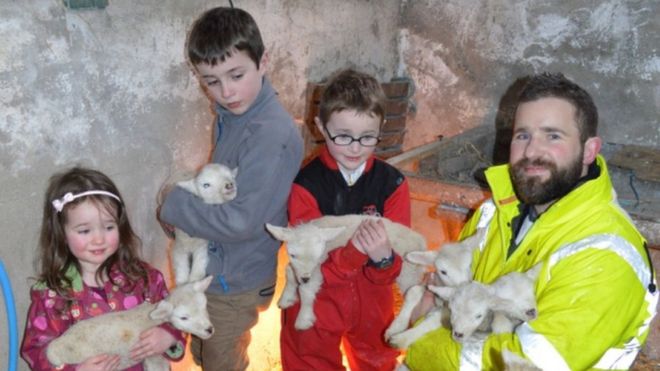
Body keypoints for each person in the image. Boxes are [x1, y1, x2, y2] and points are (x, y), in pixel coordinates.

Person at [403, 72, 658, 370]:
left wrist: (420, 342)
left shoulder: (607, 252)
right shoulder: (495, 212)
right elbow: (446, 297)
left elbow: (530, 362)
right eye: (522, 135)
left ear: (589, 150)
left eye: (553, 136)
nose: (531, 151)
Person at [157, 6, 304, 371]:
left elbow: (240, 221)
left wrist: (173, 204)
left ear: (263, 61)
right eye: (211, 81)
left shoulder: (269, 134)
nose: (226, 91)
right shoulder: (233, 117)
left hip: (236, 280)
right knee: (207, 355)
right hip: (221, 271)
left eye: (236, 75)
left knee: (222, 361)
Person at [280, 68, 411, 370]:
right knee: (308, 361)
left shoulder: (392, 184)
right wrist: (355, 253)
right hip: (318, 302)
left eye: (367, 137)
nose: (355, 147)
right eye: (343, 136)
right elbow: (310, 262)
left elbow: (397, 260)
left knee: (378, 360)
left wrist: (383, 260)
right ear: (321, 127)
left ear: (382, 128)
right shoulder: (306, 186)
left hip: (372, 303)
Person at [21, 167, 186, 371]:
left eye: (109, 227)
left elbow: (177, 316)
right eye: (84, 230)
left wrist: (169, 336)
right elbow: (36, 352)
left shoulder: (145, 279)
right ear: (62, 233)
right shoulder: (52, 296)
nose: (98, 239)